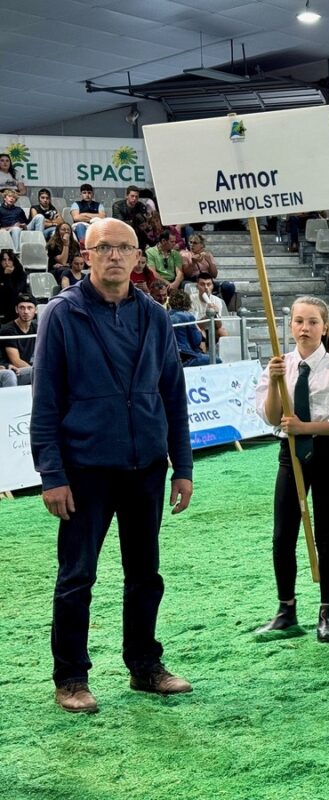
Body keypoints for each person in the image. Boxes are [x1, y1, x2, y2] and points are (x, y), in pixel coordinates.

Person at [31, 218, 194, 714]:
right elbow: (45, 404)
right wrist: (52, 475)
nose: (116, 256)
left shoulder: (155, 315)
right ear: (86, 255)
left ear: (139, 256)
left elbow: (173, 394)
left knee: (145, 574)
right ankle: (71, 677)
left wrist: (181, 465)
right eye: (105, 248)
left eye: (125, 247)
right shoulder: (60, 315)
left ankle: (145, 666)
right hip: (85, 471)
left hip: (146, 467)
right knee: (77, 576)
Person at [254, 296, 329, 643]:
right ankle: (286, 610)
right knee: (282, 535)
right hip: (291, 455)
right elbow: (272, 418)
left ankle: (327, 611)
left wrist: (306, 427)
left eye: (313, 322)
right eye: (299, 321)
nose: (305, 328)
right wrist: (274, 382)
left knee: (325, 533)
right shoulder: (279, 365)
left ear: (324, 327)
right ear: (291, 326)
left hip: (327, 454)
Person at [180, 233, 236, 308]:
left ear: (202, 245)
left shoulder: (208, 254)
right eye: (190, 242)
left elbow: (214, 275)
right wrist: (193, 263)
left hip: (207, 279)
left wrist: (209, 261)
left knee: (229, 286)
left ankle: (222, 306)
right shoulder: (185, 254)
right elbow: (188, 274)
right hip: (193, 280)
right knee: (187, 285)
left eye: (195, 243)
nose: (192, 245)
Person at [167, 288, 211, 367]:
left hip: (170, 357)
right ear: (188, 303)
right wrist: (200, 333)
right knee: (216, 360)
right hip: (186, 357)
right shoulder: (188, 317)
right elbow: (196, 341)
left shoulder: (166, 316)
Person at [0, 294, 36, 385]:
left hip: (24, 370)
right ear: (16, 309)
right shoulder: (8, 330)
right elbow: (16, 361)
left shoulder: (37, 328)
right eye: (22, 308)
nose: (26, 311)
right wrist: (37, 372)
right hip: (12, 370)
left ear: (36, 310)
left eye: (29, 308)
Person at [111, 185, 152, 250]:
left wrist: (146, 222)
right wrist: (135, 222)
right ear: (127, 196)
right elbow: (119, 223)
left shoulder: (140, 206)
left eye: (136, 197)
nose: (134, 199)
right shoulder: (118, 205)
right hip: (122, 233)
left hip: (138, 234)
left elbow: (144, 222)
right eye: (132, 196)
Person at [0, 249, 28, 323]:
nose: (7, 263)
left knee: (14, 298)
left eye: (9, 260)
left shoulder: (21, 274)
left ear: (14, 261)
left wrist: (7, 276)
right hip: (2, 301)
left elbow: (14, 291)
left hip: (15, 301)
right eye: (4, 260)